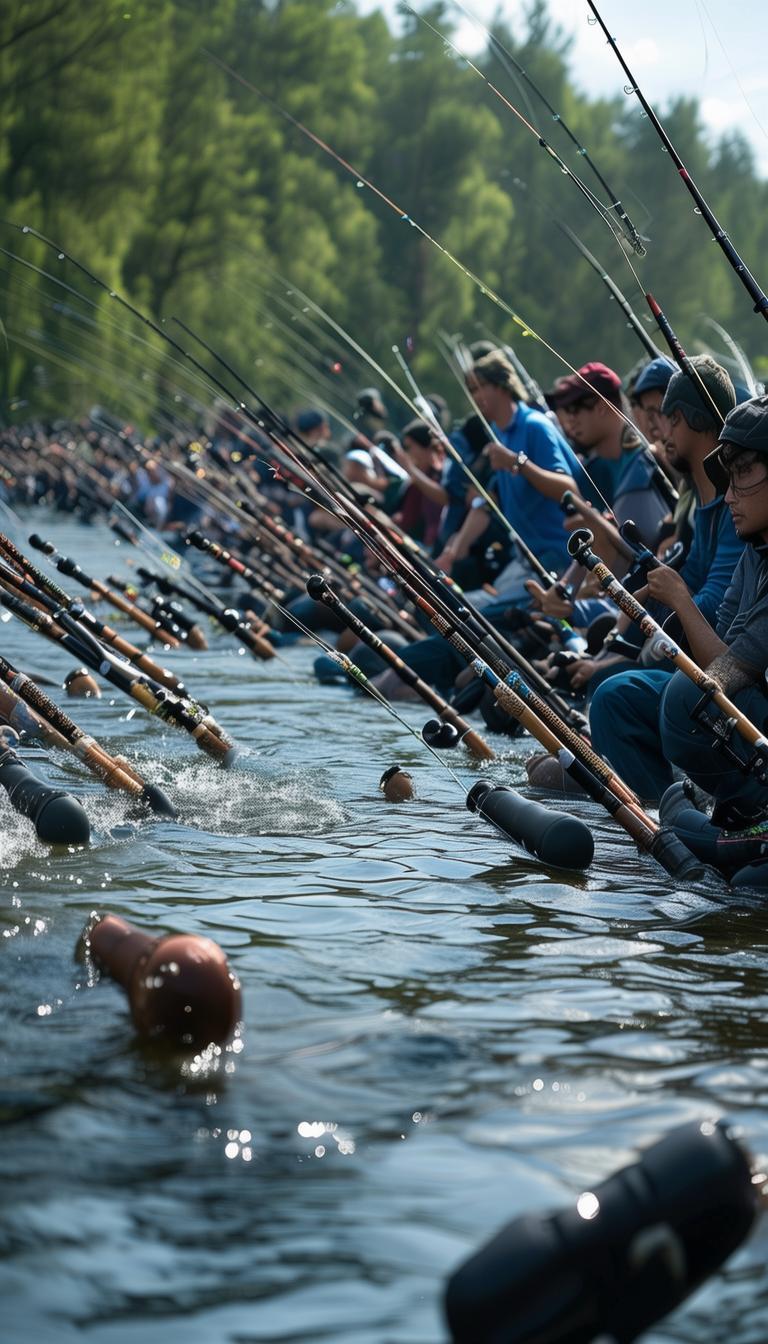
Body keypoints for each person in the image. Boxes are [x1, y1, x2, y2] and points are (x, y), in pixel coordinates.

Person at [589, 389, 768, 821]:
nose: (730, 496)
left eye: (743, 473)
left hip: (755, 714)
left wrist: (680, 602)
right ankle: (665, 812)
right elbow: (721, 646)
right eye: (729, 479)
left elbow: (726, 672)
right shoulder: (753, 551)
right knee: (616, 696)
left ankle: (740, 811)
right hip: (742, 701)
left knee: (685, 695)